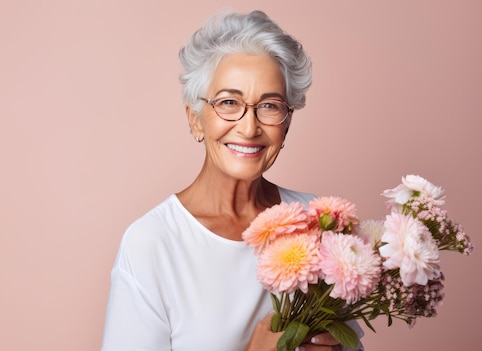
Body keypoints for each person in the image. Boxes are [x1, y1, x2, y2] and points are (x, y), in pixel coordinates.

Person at [101, 9, 364, 351]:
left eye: (269, 106)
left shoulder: (315, 221)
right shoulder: (151, 244)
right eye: (229, 102)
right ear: (196, 120)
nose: (250, 126)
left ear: (287, 123)